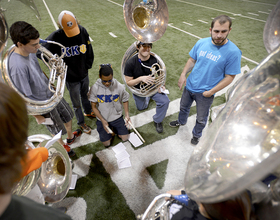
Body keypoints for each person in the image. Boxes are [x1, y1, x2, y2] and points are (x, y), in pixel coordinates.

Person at [9, 21, 82, 157]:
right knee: (56, 128)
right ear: (20, 44)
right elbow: (23, 99)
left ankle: (70, 137)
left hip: (51, 93)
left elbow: (37, 70)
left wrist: (50, 81)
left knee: (68, 114)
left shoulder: (30, 50)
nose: (39, 46)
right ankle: (62, 145)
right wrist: (38, 116)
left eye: (38, 42)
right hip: (41, 103)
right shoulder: (17, 68)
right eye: (35, 44)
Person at [0, 82, 71, 220]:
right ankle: (42, 209)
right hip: (19, 200)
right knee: (36, 199)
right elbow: (13, 168)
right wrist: (39, 154)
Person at [169, 15, 242, 145]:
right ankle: (181, 121)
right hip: (190, 86)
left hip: (205, 93)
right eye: (216, 31)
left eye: (223, 31)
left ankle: (196, 135)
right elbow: (192, 59)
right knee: (183, 107)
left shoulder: (233, 52)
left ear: (229, 30)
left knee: (201, 118)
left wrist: (211, 91)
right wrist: (183, 74)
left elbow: (230, 77)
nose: (219, 35)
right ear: (210, 30)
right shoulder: (201, 42)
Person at [40, 10, 94, 134]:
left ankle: (88, 111)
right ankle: (81, 122)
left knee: (85, 95)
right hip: (71, 78)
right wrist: (53, 61)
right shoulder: (56, 36)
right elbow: (40, 51)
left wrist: (87, 65)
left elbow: (89, 48)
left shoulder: (82, 30)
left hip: (84, 73)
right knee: (76, 103)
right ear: (61, 25)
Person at [124, 41, 170, 133]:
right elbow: (128, 82)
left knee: (165, 101)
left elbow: (162, 74)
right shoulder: (130, 63)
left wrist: (162, 86)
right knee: (141, 108)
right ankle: (147, 97)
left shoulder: (155, 59)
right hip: (139, 89)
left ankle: (157, 120)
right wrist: (141, 78)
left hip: (153, 86)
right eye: (144, 45)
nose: (147, 48)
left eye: (149, 46)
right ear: (138, 47)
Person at [88, 64, 130, 147]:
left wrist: (127, 115)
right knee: (106, 144)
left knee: (125, 138)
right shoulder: (94, 88)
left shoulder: (119, 86)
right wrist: (102, 120)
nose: (107, 83)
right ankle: (112, 131)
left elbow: (125, 100)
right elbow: (94, 107)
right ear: (100, 76)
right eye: (104, 81)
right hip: (103, 119)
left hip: (116, 117)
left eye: (109, 80)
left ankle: (115, 129)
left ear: (112, 76)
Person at [165, 189, 256, 220]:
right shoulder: (245, 199)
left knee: (169, 196)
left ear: (203, 209)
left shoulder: (183, 216)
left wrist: (182, 193)